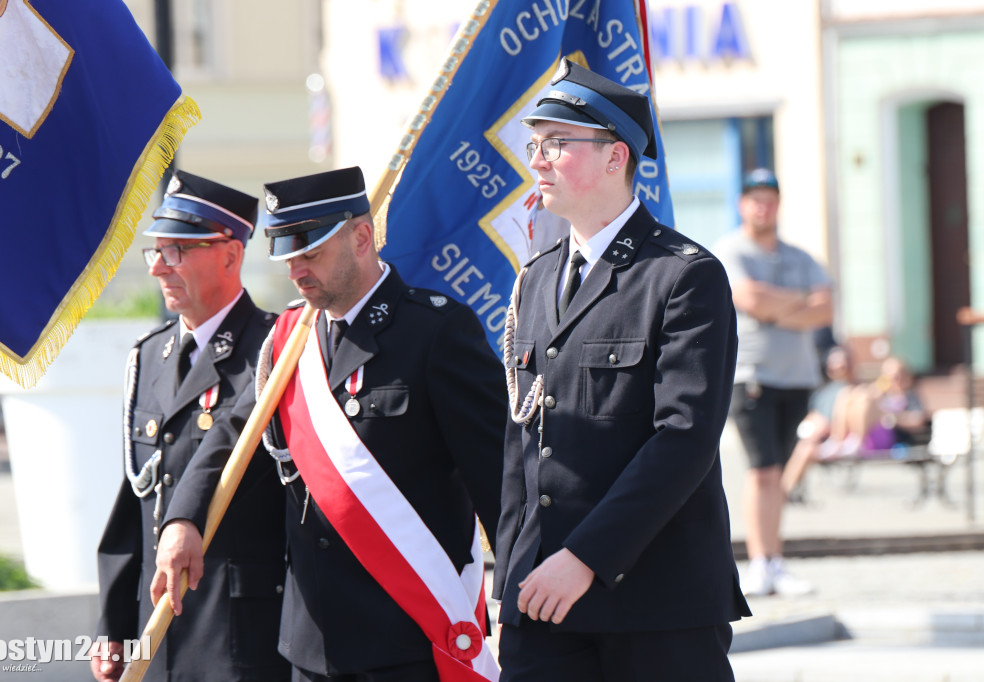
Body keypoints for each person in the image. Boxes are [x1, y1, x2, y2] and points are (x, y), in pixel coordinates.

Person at [152, 167, 506, 682]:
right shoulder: (288, 337)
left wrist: (521, 602)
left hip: (408, 635)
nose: (296, 270)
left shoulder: (435, 332)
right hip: (312, 643)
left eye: (310, 253)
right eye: (288, 256)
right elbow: (232, 434)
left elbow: (497, 476)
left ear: (362, 237)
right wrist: (182, 519)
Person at [492, 59, 749, 682]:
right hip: (543, 600)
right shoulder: (537, 277)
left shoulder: (683, 275)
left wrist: (583, 557)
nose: (539, 159)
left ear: (616, 157)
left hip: (655, 604)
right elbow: (523, 442)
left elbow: (683, 439)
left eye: (558, 143)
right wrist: (508, 573)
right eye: (534, 144)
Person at [92, 171, 288, 682]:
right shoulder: (148, 356)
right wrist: (113, 625)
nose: (158, 267)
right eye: (155, 251)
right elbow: (135, 495)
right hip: (155, 630)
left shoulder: (273, 350)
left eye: (177, 250)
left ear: (230, 253)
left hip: (235, 629)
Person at [713, 168, 833, 598]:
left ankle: (775, 559)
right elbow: (748, 298)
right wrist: (797, 305)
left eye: (769, 198)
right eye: (754, 198)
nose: (762, 206)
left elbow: (825, 309)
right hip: (753, 376)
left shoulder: (800, 256)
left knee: (780, 473)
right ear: (742, 203)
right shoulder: (732, 250)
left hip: (797, 376)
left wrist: (776, 307)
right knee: (762, 471)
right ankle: (760, 561)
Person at [780, 345, 857, 497]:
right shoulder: (823, 390)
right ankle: (784, 490)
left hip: (835, 438)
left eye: (840, 364)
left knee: (805, 449)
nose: (836, 368)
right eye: (832, 364)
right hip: (814, 434)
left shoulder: (853, 390)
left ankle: (784, 492)